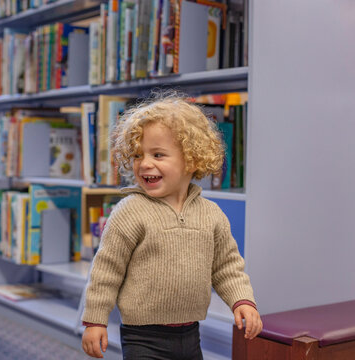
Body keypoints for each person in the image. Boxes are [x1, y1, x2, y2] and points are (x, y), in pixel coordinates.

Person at [81, 93, 262, 359]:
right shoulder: (130, 212)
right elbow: (106, 271)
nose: (145, 164)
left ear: (191, 159)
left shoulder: (211, 214)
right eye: (138, 155)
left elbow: (227, 266)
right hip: (142, 336)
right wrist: (95, 320)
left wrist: (242, 300)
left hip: (190, 334)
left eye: (158, 154)